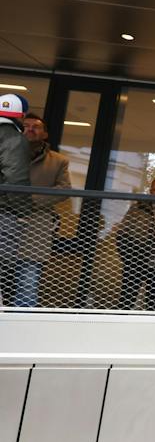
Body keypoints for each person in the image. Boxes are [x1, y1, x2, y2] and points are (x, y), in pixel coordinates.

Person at [6, 114, 69, 307]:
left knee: (28, 283)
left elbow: (64, 190)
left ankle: (24, 331)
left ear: (45, 134)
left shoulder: (58, 161)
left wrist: (29, 200)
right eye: (26, 126)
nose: (30, 129)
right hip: (3, 224)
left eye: (36, 126)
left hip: (35, 230)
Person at [112, 176, 155, 310]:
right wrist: (129, 260)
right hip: (136, 264)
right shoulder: (138, 209)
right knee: (126, 301)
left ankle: (149, 329)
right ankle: (118, 327)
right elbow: (122, 235)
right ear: (151, 192)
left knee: (154, 304)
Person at [0, 92, 34, 305]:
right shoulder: (13, 138)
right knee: (4, 261)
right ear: (20, 116)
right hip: (3, 213)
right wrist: (22, 213)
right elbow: (15, 178)